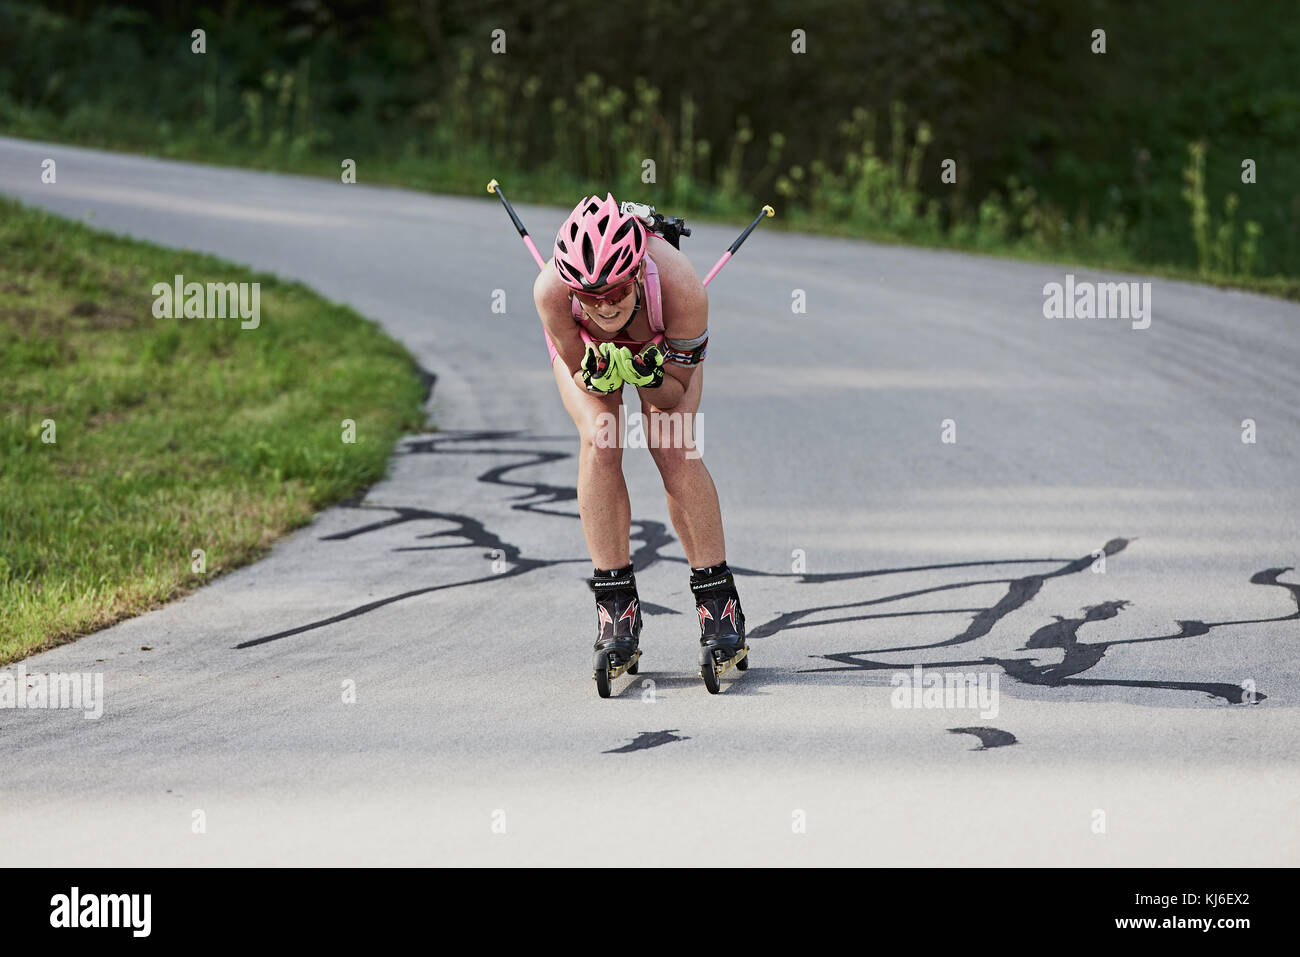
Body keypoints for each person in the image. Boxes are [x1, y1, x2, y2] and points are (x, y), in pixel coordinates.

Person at [533, 193, 746, 682]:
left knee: (672, 446)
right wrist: (602, 371)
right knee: (602, 438)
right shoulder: (550, 292)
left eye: (616, 294)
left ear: (635, 277)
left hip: (661, 342)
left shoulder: (682, 290)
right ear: (571, 288)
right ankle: (616, 613)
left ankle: (720, 608)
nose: (604, 306)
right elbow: (584, 380)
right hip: (589, 352)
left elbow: (672, 395)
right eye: (591, 297)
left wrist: (647, 374)